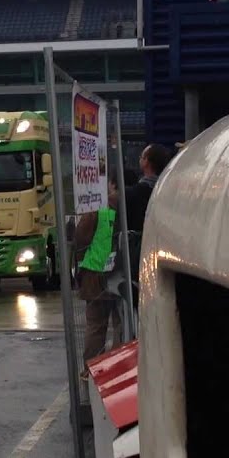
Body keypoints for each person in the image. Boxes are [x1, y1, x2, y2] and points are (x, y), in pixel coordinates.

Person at [76, 178, 124, 376]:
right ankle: (120, 369)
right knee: (122, 323)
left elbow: (80, 239)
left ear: (112, 185)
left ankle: (92, 370)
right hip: (122, 275)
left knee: (96, 326)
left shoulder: (98, 209)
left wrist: (80, 269)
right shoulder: (131, 207)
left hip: (96, 276)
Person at [125, 143, 172, 234]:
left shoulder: (135, 192)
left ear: (146, 162)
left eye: (141, 157)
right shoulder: (168, 189)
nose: (140, 159)